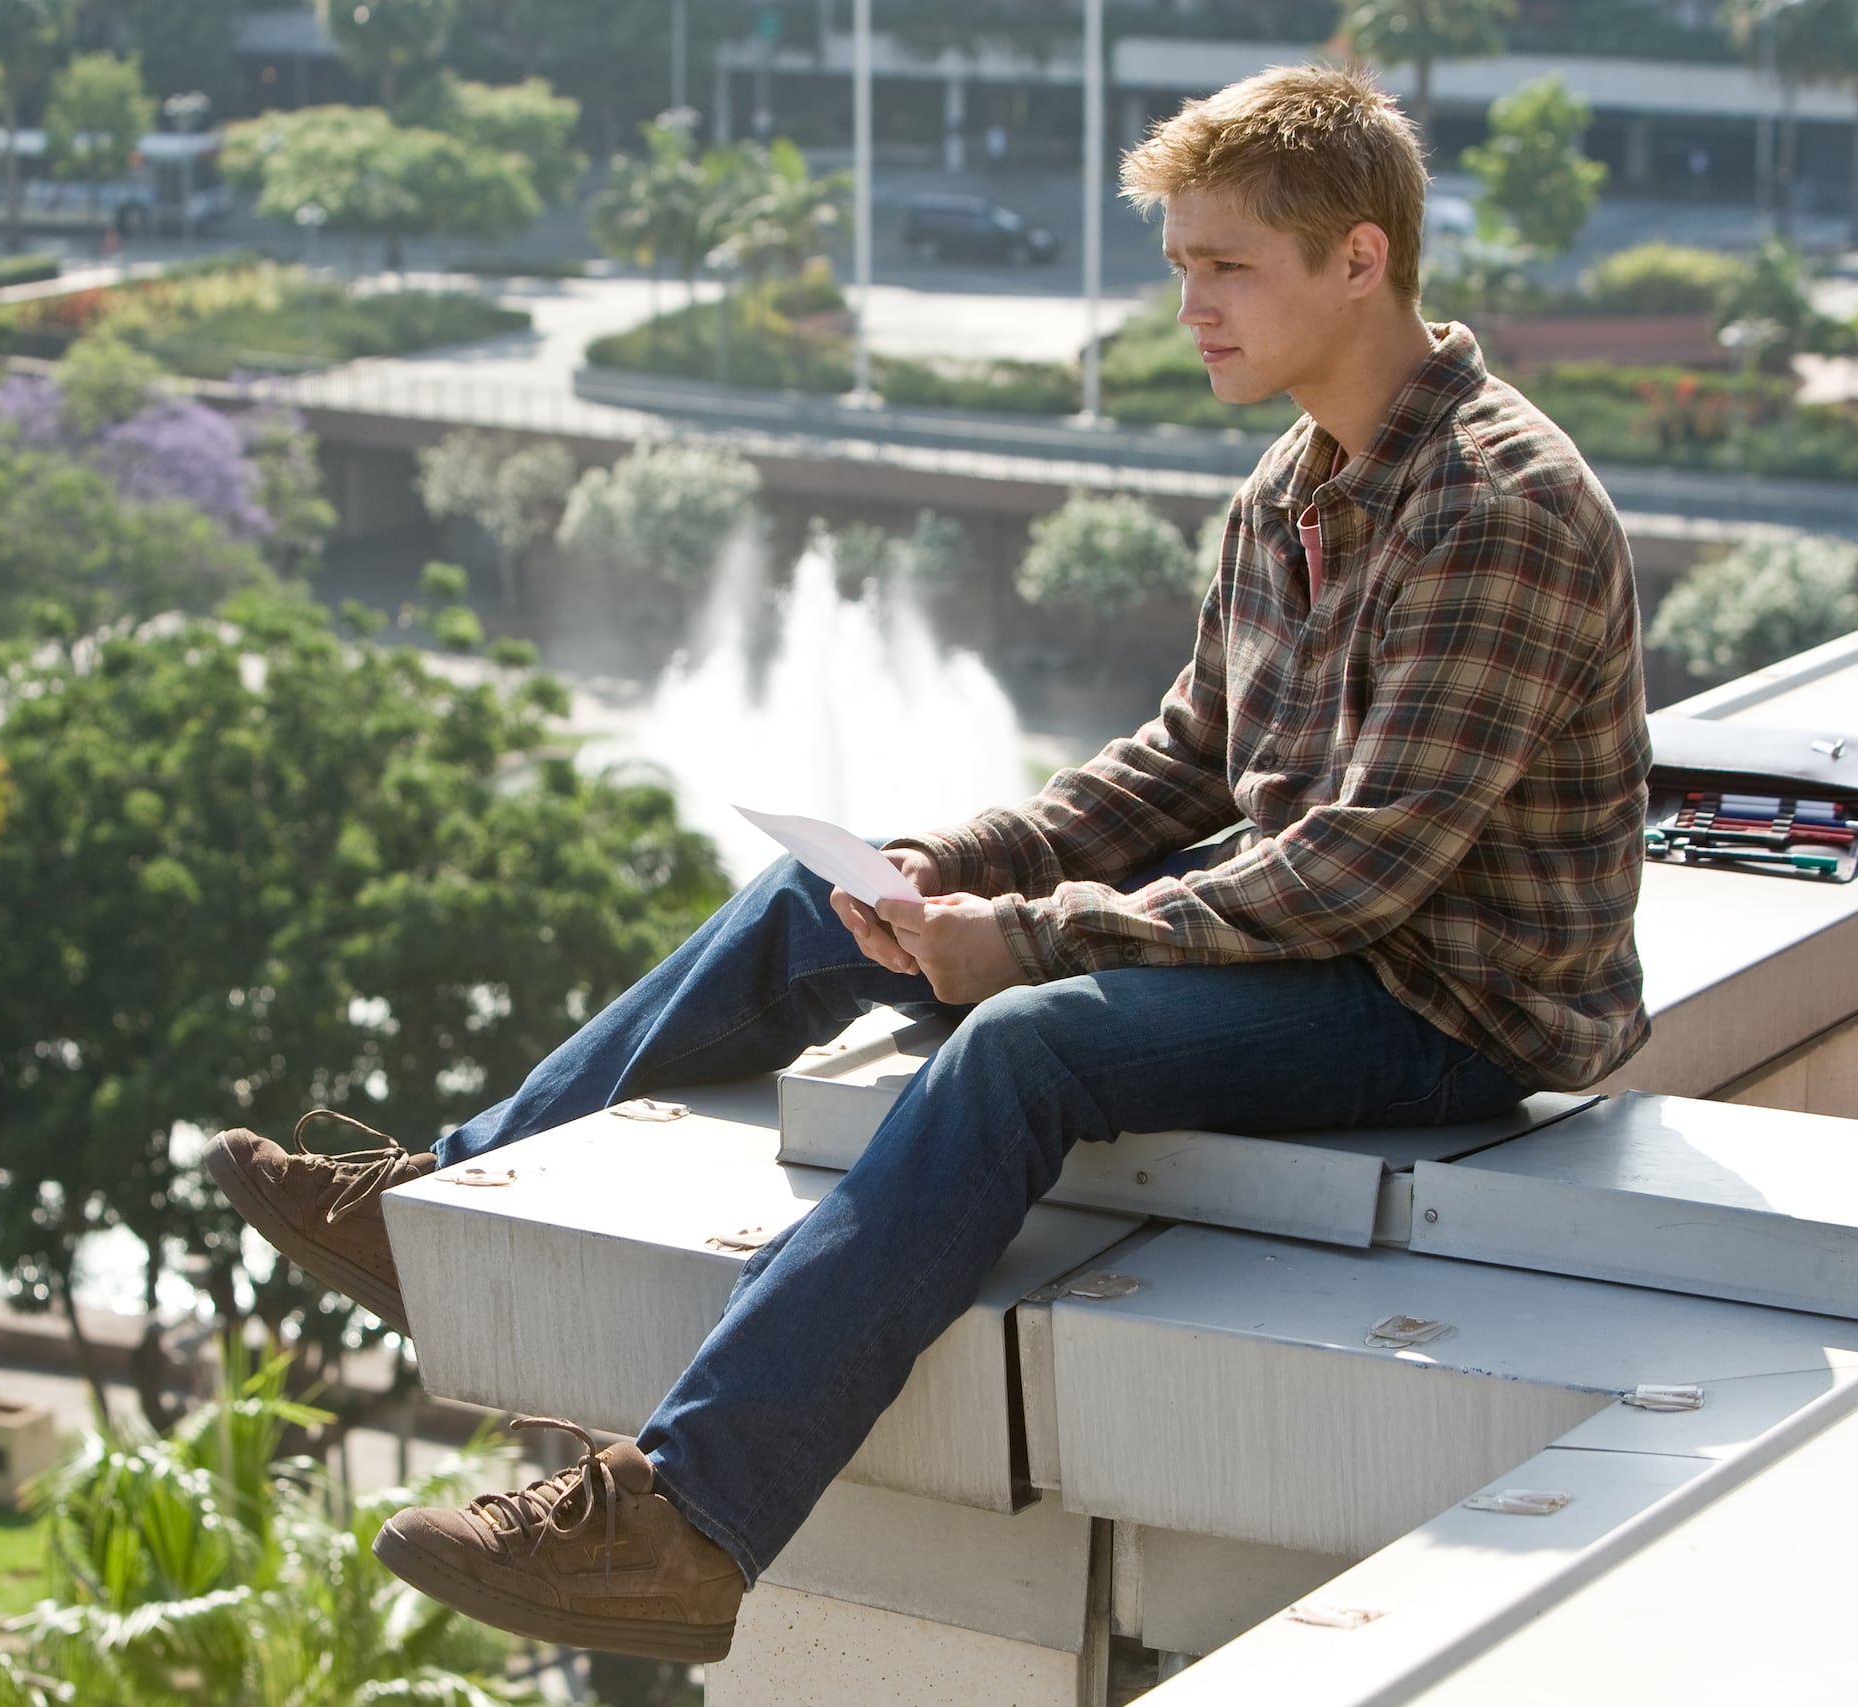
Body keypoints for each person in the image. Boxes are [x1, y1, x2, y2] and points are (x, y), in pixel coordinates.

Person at [206, 63, 1650, 1663]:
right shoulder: (1291, 488)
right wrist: (931, 870)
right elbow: (1178, 769)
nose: (1192, 307)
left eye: (1225, 266)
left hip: (1449, 1007)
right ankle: (443, 1205)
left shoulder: (1498, 507)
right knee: (816, 908)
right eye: (1179, 267)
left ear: (1361, 259)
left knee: (1022, 1051)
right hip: (1318, 947)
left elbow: (1353, 876)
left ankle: (685, 1525)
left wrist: (1021, 943)